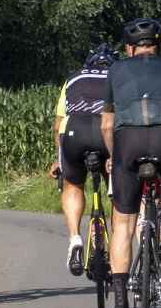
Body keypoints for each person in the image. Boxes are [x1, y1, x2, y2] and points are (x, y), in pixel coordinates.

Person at [100, 18, 161, 308]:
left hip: (129, 141)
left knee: (123, 224)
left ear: (129, 48)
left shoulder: (115, 71)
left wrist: (114, 157)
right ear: (159, 45)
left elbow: (106, 125)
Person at [49, 43, 116, 276]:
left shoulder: (73, 78)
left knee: (73, 184)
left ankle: (75, 238)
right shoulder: (119, 76)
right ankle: (118, 246)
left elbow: (58, 125)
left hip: (74, 132)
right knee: (120, 191)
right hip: (105, 132)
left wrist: (60, 159)